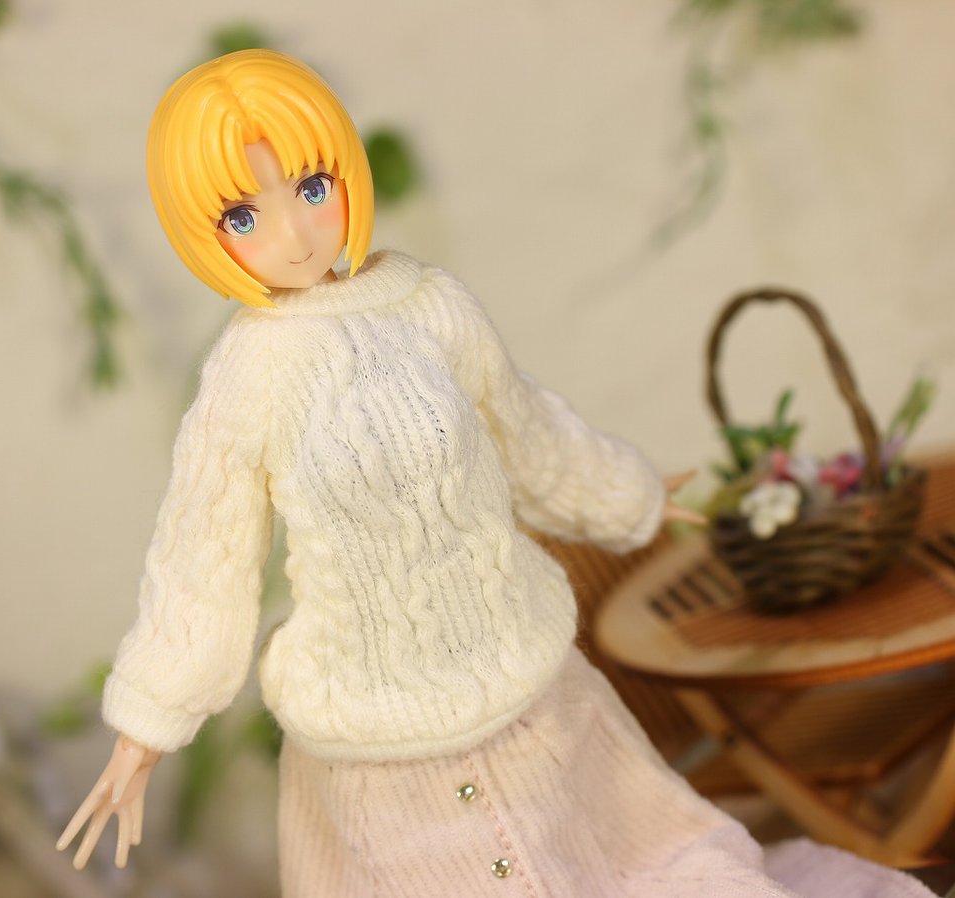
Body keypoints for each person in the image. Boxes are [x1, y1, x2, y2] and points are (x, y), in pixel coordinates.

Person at [58, 49, 935, 898]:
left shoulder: (429, 305)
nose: (292, 232)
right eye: (244, 217)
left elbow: (522, 426)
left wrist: (625, 494)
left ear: (346, 176)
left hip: (527, 687)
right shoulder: (250, 375)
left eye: (312, 189)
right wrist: (145, 729)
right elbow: (204, 554)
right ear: (203, 235)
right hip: (372, 734)